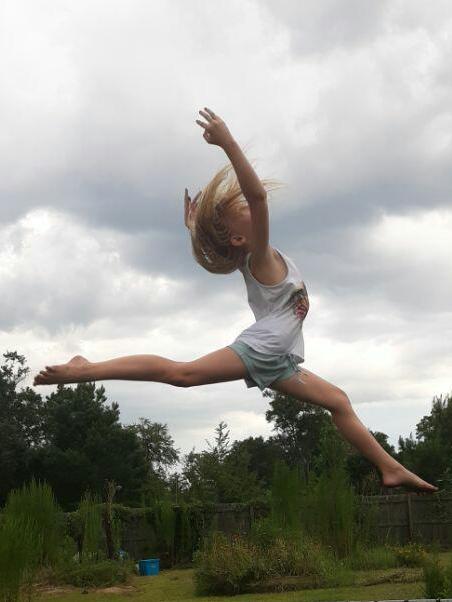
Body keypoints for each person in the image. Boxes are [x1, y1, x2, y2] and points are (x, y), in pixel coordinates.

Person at [33, 106, 438, 494]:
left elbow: (244, 213)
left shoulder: (254, 255)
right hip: (262, 349)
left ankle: (389, 467)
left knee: (338, 402)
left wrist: (196, 225)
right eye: (239, 211)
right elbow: (258, 196)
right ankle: (87, 369)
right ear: (240, 237)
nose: (247, 204)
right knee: (182, 374)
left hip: (279, 359)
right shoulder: (259, 258)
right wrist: (227, 143)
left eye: (242, 204)